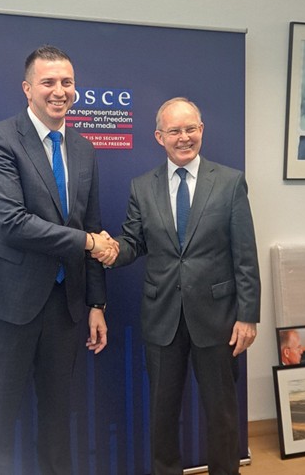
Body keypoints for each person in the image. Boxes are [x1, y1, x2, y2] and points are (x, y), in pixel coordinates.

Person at [0, 45, 119, 474]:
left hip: (64, 306)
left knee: (58, 419)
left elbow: (92, 222)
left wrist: (96, 303)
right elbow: (12, 222)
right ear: (27, 88)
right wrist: (88, 243)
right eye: (48, 82)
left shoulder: (84, 148)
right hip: (8, 303)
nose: (59, 91)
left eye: (67, 82)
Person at [94, 97, 261, 475]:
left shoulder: (230, 182)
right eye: (174, 131)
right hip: (162, 317)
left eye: (191, 129)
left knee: (222, 413)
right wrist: (110, 250)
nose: (184, 137)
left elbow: (245, 255)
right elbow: (133, 243)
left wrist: (248, 315)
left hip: (218, 319)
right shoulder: (142, 187)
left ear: (201, 130)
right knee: (163, 414)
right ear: (159, 137)